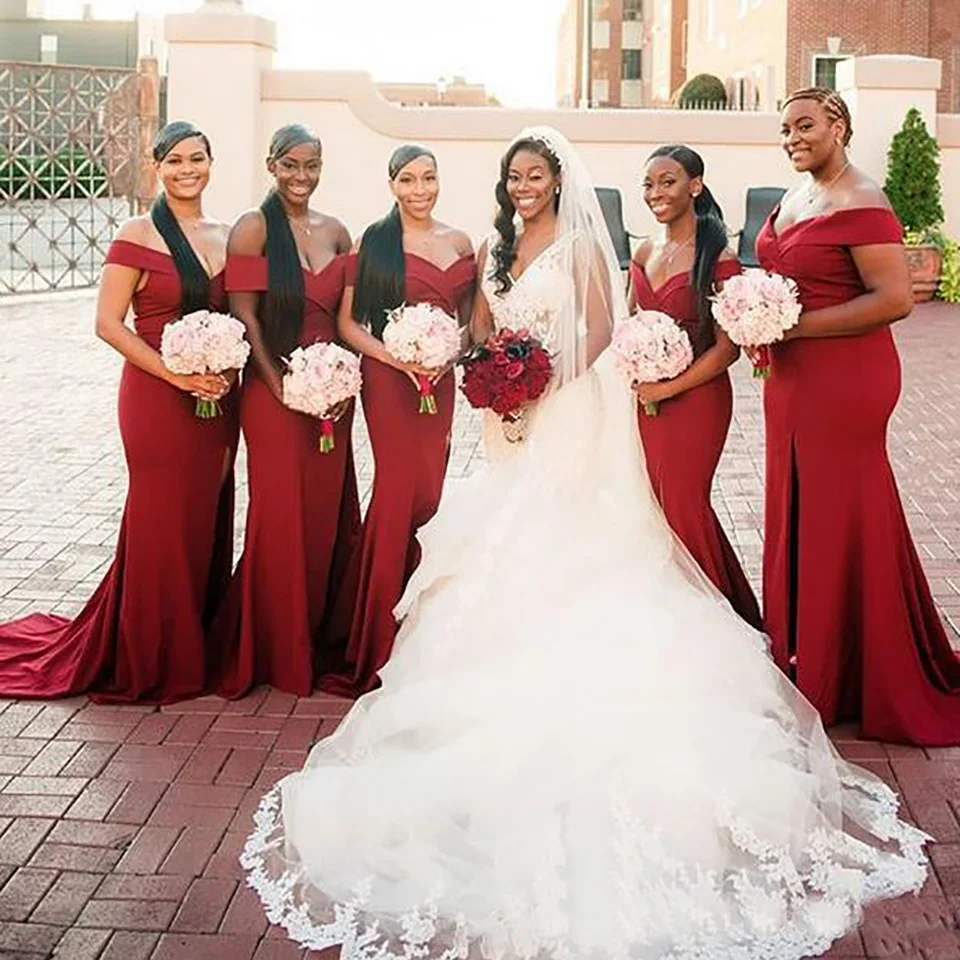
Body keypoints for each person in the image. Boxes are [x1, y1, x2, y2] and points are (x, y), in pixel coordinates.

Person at [240, 127, 928, 960]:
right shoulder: (496, 242)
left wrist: (541, 388)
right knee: (502, 531)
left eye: (536, 175)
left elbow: (600, 330)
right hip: (511, 416)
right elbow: (487, 323)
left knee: (579, 531)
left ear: (557, 182)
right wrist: (499, 381)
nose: (524, 186)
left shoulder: (578, 245)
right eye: (514, 176)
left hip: (570, 409)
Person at [0, 120, 238, 703]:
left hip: (215, 398)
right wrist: (176, 375)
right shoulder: (137, 232)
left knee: (204, 519)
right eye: (175, 161)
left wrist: (227, 370)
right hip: (157, 396)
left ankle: (193, 643)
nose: (188, 170)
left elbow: (243, 316)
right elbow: (108, 324)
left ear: (212, 162)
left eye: (197, 159)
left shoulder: (229, 234)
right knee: (162, 522)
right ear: (157, 167)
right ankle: (152, 655)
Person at [757, 87, 960, 745]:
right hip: (791, 377)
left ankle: (850, 671)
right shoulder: (797, 196)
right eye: (785, 128)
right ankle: (806, 653)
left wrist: (792, 325)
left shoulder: (864, 199)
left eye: (806, 125)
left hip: (846, 379)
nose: (793, 138)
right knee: (800, 505)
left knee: (841, 511)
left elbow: (894, 299)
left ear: (838, 125)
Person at [211, 124, 360, 698]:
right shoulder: (253, 228)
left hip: (332, 394)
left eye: (312, 165)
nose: (302, 177)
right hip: (273, 392)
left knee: (325, 513)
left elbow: (348, 318)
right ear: (272, 165)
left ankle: (320, 635)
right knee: (281, 515)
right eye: (291, 165)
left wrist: (341, 382)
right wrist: (280, 385)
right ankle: (276, 646)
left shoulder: (338, 231)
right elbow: (245, 314)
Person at [328, 144, 475, 695]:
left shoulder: (460, 242)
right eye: (409, 180)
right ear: (392, 185)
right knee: (395, 490)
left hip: (440, 379)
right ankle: (375, 635)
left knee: (430, 494)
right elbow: (348, 323)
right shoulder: (375, 242)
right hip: (391, 382)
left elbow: (467, 322)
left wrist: (446, 354)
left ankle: (423, 629)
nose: (420, 189)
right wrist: (400, 358)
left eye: (429, 178)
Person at [628, 145, 760, 628]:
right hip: (645, 398)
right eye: (648, 184)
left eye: (668, 181)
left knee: (684, 503)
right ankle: (677, 619)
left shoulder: (717, 256)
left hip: (698, 398)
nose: (656, 192)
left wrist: (669, 388)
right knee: (656, 506)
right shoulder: (643, 250)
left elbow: (728, 350)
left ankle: (721, 621)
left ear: (695, 186)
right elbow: (628, 323)